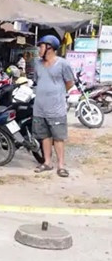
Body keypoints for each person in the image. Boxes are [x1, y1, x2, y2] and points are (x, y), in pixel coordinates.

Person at [32, 35, 74, 178]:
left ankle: (61, 165)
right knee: (44, 136)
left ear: (49, 48)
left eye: (41, 46)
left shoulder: (63, 64)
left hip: (56, 108)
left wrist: (58, 94)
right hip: (39, 107)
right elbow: (37, 80)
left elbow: (70, 83)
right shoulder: (37, 63)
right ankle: (47, 162)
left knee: (58, 137)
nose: (39, 49)